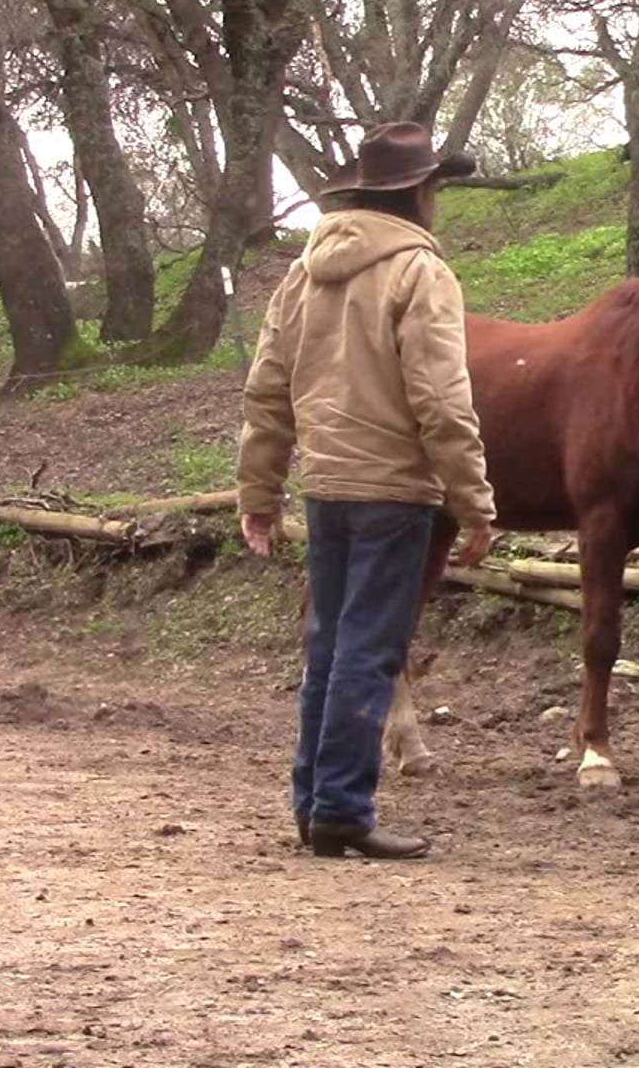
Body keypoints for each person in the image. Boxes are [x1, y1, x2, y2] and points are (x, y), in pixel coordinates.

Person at [238, 122, 497, 859]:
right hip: (393, 489)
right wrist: (474, 501)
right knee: (369, 649)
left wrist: (260, 492)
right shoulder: (420, 272)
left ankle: (315, 804)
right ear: (421, 191)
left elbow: (267, 390)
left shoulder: (303, 273)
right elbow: (440, 399)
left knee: (328, 647)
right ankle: (344, 810)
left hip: (325, 486)